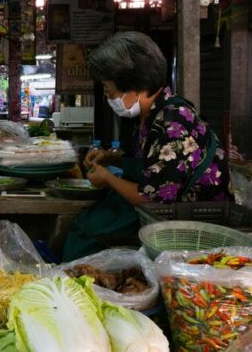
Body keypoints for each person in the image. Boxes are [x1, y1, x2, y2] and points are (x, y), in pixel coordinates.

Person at [62, 31, 230, 260]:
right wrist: (113, 158)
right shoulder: (152, 116)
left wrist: (107, 177)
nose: (108, 98)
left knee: (87, 237)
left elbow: (153, 199)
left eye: (111, 92)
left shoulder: (173, 124)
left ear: (137, 85)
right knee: (83, 223)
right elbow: (150, 163)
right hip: (157, 213)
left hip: (186, 225)